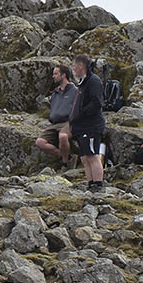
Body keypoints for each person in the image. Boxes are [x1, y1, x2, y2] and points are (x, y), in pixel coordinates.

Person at [68, 55, 110, 192]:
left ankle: (98, 184)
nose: (73, 68)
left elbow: (97, 102)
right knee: (85, 157)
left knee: (93, 156)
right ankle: (91, 183)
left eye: (74, 65)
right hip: (81, 126)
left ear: (81, 66)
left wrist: (82, 113)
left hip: (91, 126)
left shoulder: (93, 81)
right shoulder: (83, 82)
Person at [33, 64, 76, 164]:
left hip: (68, 122)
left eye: (56, 74)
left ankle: (65, 163)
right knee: (40, 142)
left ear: (64, 75)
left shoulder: (75, 91)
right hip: (54, 124)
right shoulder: (55, 93)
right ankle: (63, 155)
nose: (53, 76)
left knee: (63, 137)